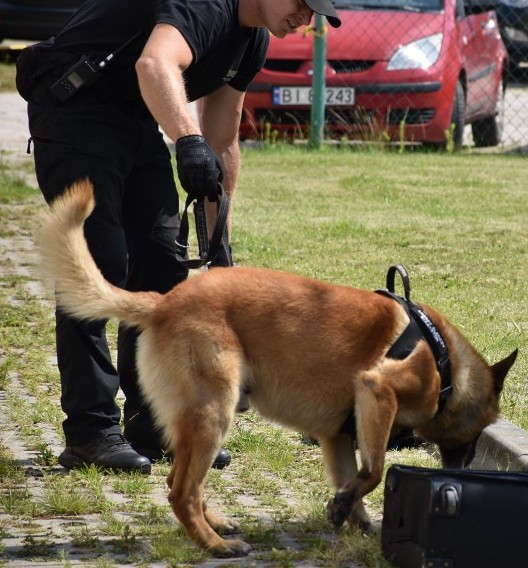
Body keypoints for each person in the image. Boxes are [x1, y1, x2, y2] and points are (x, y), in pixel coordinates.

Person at [15, 0, 341, 474]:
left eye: (316, 13)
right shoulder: (208, 5)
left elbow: (222, 139)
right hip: (75, 107)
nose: (305, 18)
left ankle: (152, 423)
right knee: (99, 265)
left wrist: (219, 241)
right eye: (302, 4)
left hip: (134, 115)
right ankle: (90, 431)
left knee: (163, 270)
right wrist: (186, 141)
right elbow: (156, 63)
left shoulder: (252, 40)